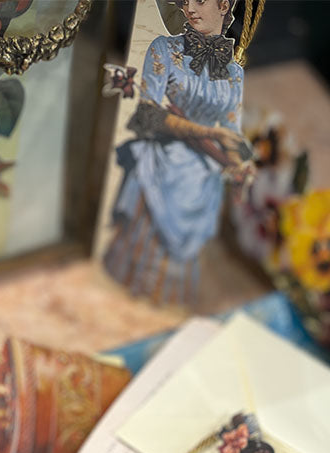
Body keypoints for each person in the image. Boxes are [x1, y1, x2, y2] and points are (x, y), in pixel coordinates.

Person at [104, 0, 253, 304]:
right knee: (126, 290)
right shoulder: (165, 49)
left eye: (199, 0)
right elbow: (148, 113)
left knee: (173, 296)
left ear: (224, 5)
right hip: (163, 165)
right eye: (185, 2)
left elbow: (231, 131)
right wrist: (208, 133)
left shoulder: (235, 72)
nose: (190, 9)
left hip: (202, 180)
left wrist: (240, 165)